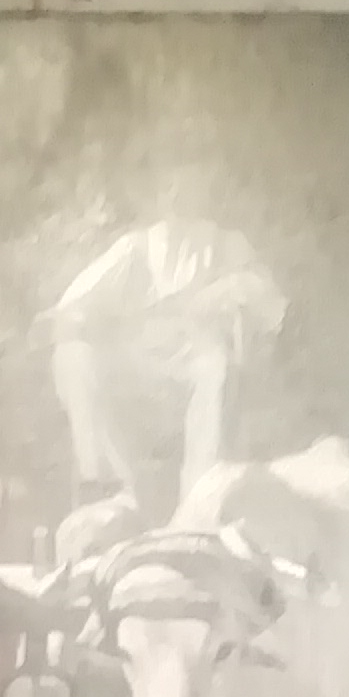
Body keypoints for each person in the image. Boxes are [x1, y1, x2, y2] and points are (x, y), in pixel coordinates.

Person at [47, 218, 288, 526]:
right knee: (73, 355)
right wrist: (89, 323)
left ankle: (201, 497)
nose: (177, 196)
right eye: (169, 193)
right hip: (139, 367)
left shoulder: (226, 244)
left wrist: (225, 289)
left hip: (197, 361)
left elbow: (269, 301)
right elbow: (74, 304)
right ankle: (107, 488)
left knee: (216, 367)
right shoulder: (136, 247)